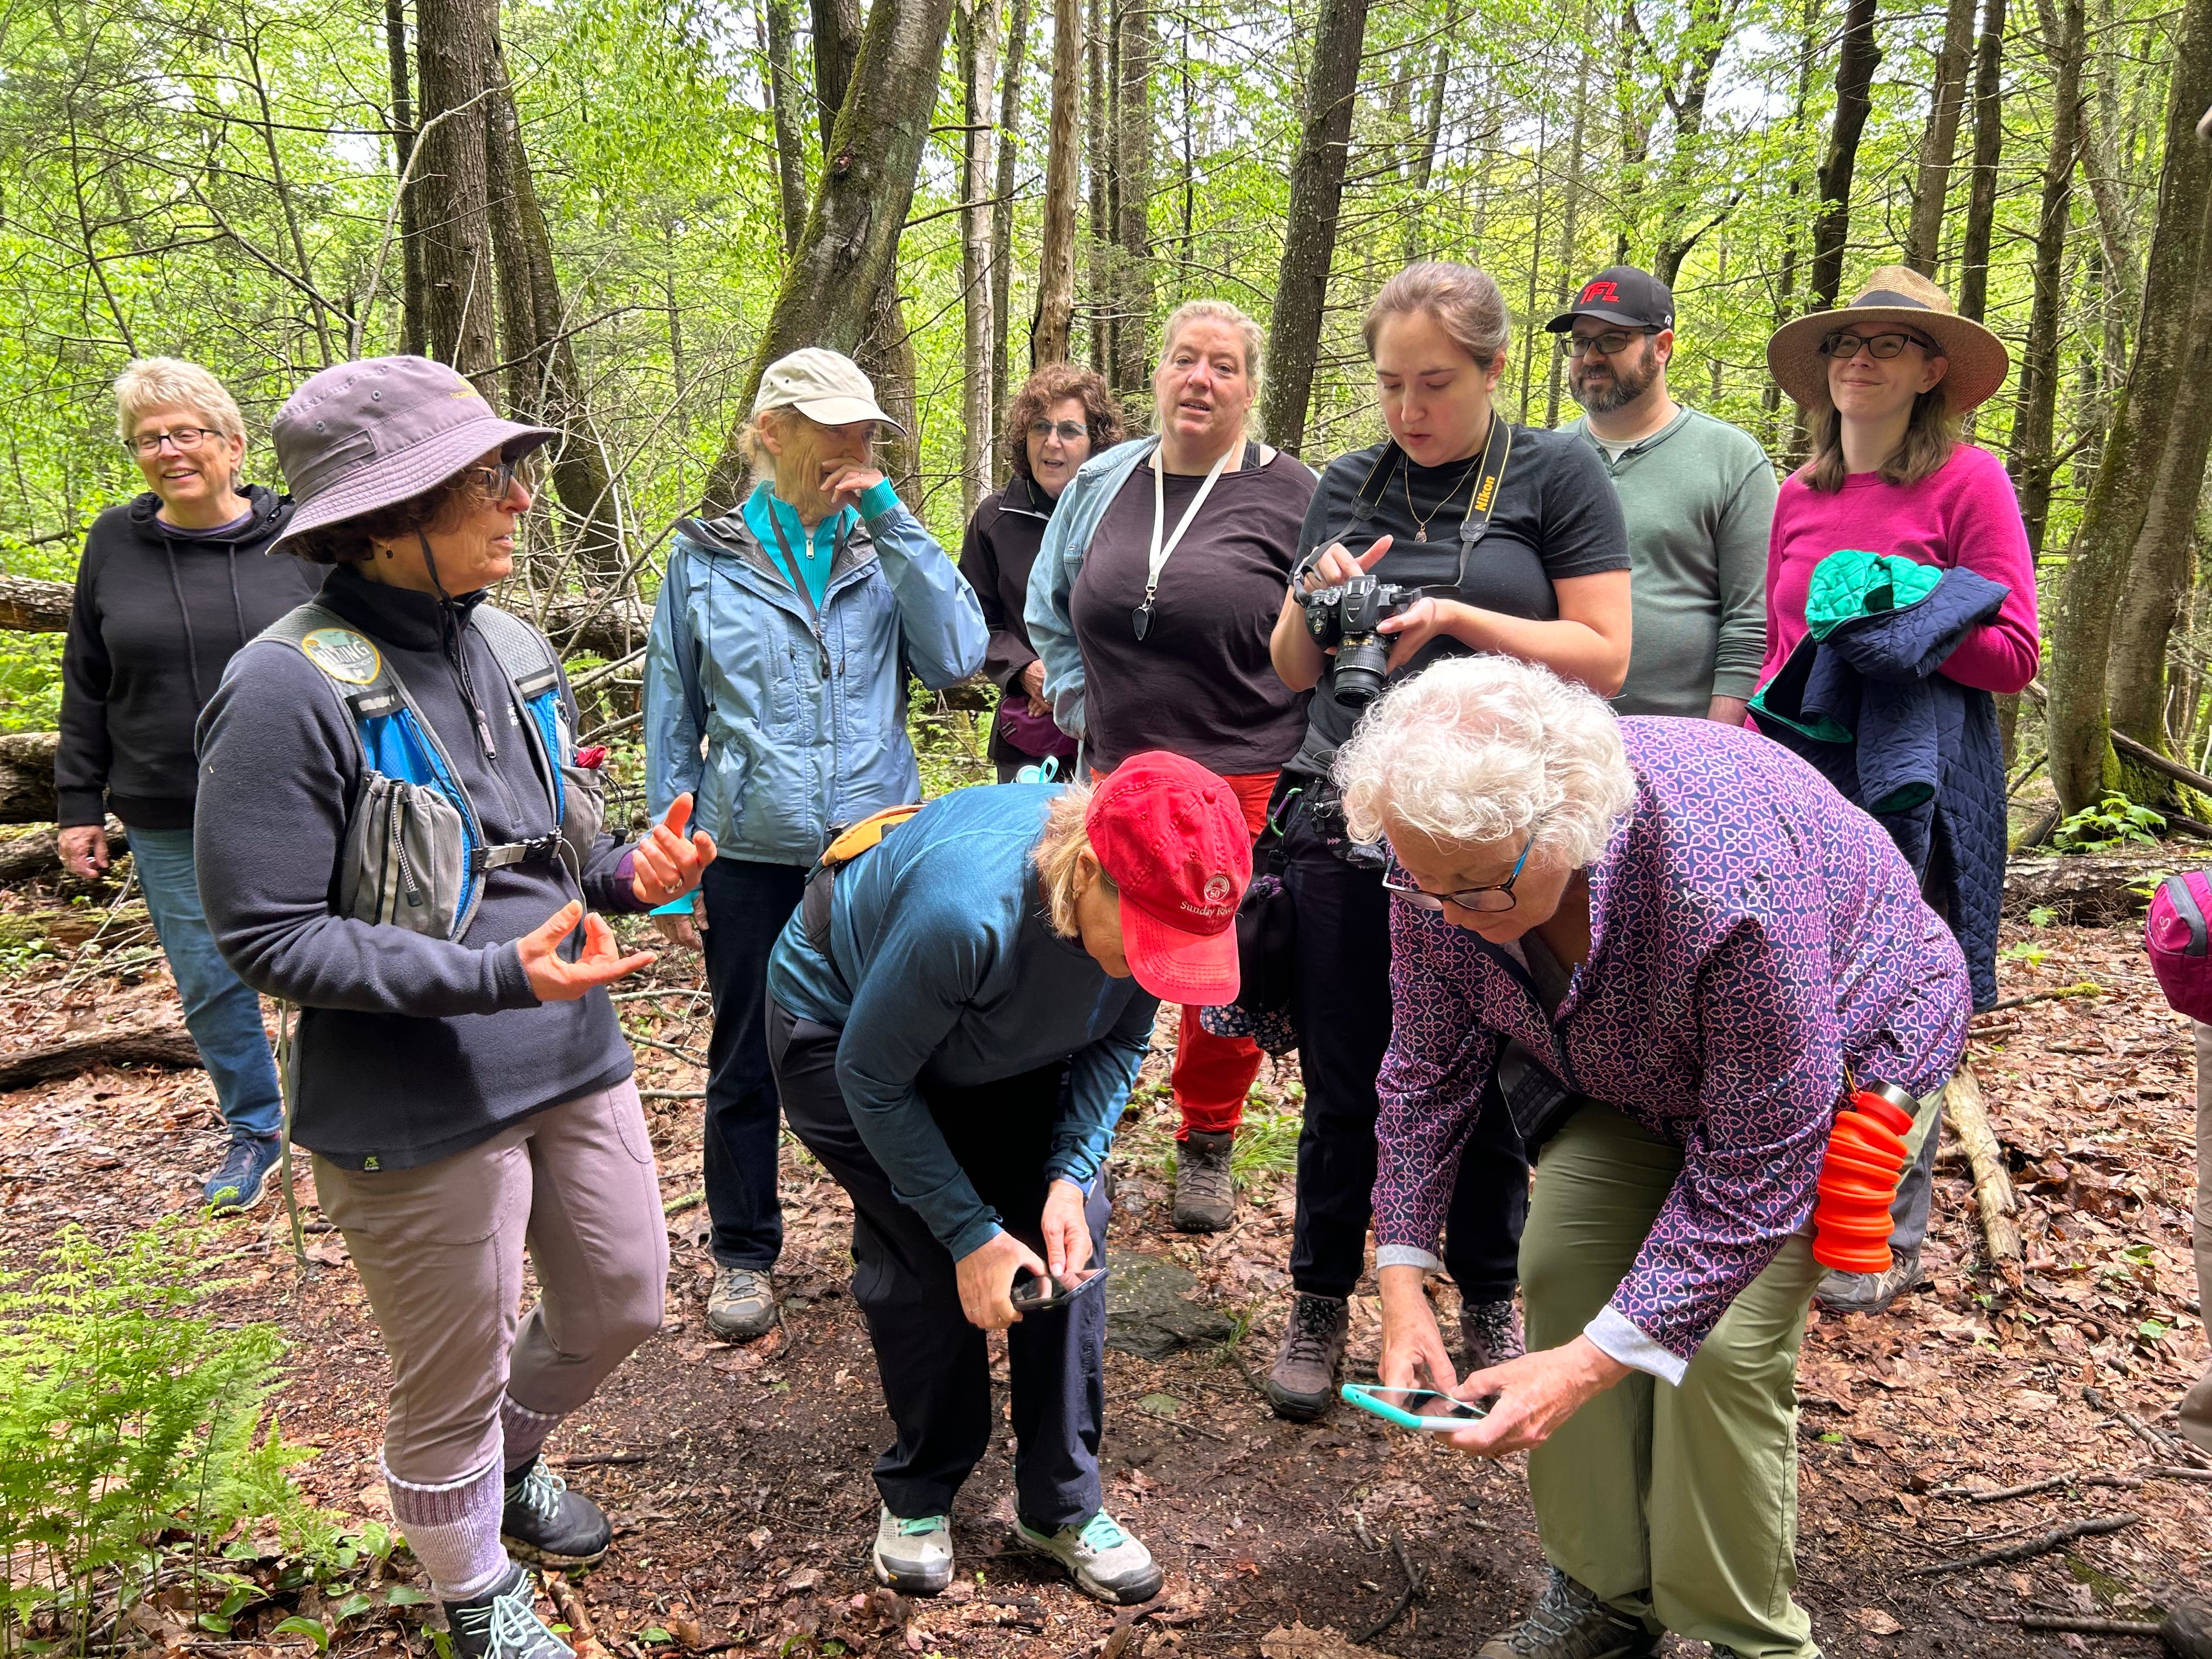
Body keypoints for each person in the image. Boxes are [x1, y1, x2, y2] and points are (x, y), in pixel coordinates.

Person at [195, 356, 715, 1659]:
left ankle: (506, 1467)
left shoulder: (511, 642)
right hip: (415, 1097)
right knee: (454, 1378)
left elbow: (546, 857)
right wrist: (495, 974)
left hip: (570, 1046)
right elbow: (265, 935)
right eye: (489, 479)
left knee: (622, 1299)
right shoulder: (283, 688)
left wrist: (627, 875)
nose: (521, 501)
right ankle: (476, 1590)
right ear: (390, 516)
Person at [1344, 654, 1969, 1659]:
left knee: (1716, 1345)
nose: (1445, 915)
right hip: (1639, 1071)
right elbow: (1424, 1068)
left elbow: (1757, 1164)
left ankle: (1744, 1635)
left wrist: (1588, 1368)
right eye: (1419, 884)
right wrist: (1404, 1278)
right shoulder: (1441, 867)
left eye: (1473, 891)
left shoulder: (1717, 882)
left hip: (1835, 1054)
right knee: (1559, 1269)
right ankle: (1603, 1592)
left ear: (1570, 832)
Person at [1261, 262, 1630, 1420]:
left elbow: (1606, 654)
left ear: (1490, 369)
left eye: (1435, 383)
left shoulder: (1557, 471)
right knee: (1346, 1071)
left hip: (1499, 827)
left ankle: (1485, 1295)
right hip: (1345, 811)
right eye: (1390, 385)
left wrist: (1458, 618)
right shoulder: (1349, 481)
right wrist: (1314, 601)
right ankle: (1323, 1295)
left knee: (1487, 1066)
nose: (1409, 409)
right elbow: (1289, 668)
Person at [764, 754, 1248, 1605]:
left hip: (1004, 1035)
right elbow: (871, 1079)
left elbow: (1118, 1039)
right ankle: (920, 1490)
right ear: (1089, 874)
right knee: (927, 1245)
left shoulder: (1159, 912)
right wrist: (966, 1231)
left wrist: (1069, 1174)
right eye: (1145, 942)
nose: (1156, 966)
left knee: (1069, 1235)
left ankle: (1059, 1504)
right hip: (846, 1034)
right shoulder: (965, 912)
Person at [644, 349, 987, 1342]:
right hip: (748, 848)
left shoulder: (883, 546)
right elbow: (674, 716)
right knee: (746, 1056)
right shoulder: (704, 560)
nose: (853, 445)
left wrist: (894, 518)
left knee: (893, 1049)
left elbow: (959, 657)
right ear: (771, 433)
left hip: (871, 849)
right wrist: (672, 874)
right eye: (831, 427)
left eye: (865, 428)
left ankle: (898, 1235)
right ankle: (743, 1251)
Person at [1757, 266, 2036, 1316]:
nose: (1858, 359)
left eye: (1886, 343)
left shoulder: (1970, 483)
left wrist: (1907, 613)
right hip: (1801, 764)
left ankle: (1876, 1228)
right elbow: (1785, 645)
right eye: (1843, 343)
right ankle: (1784, 1199)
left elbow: (2011, 653)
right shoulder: (1799, 495)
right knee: (1796, 982)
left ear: (1930, 371)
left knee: (1901, 987)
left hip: (1924, 767)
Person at [1026, 300, 1318, 1234]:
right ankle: (1070, 1132)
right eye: (1185, 360)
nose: (1201, 379)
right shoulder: (1104, 480)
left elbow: (1323, 633)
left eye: (1224, 366)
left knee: (1216, 972)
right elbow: (1048, 603)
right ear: (1156, 374)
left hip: (1242, 773)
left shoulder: (1293, 494)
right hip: (1114, 770)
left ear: (1250, 386)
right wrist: (1078, 704)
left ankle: (1206, 1135)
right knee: (1088, 947)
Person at [55, 359, 321, 1212]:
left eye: (185, 433)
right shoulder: (113, 542)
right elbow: (86, 678)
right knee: (210, 977)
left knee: (337, 955)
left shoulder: (302, 539)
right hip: (167, 806)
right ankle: (255, 1128)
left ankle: (355, 1112)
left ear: (233, 444)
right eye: (148, 439)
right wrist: (76, 806)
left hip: (308, 795)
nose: (168, 451)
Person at [1547, 266, 1775, 722]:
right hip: (1557, 735)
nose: (1590, 356)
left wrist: (1722, 744)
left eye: (1612, 339)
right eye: (1580, 341)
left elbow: (1751, 623)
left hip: (1680, 738)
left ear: (1663, 347)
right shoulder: (1546, 456)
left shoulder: (1731, 458)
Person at [962, 366, 1124, 782]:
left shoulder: (1124, 513)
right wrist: (1027, 672)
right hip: (1029, 737)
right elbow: (975, 620)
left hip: (1114, 730)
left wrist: (1072, 682)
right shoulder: (994, 519)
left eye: (1070, 430)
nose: (1053, 442)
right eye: (1041, 428)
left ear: (1095, 444)